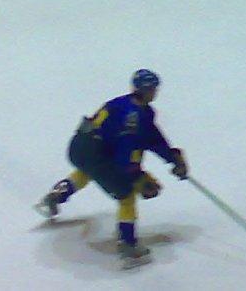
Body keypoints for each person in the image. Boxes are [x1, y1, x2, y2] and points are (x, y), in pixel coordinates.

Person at [34, 69, 188, 268]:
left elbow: (152, 137)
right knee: (126, 195)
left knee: (88, 171)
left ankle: (56, 196)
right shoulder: (134, 118)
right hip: (98, 154)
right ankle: (128, 245)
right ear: (146, 90)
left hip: (79, 147)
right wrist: (140, 179)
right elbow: (126, 156)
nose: (155, 92)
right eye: (152, 88)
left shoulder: (126, 104)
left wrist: (172, 157)